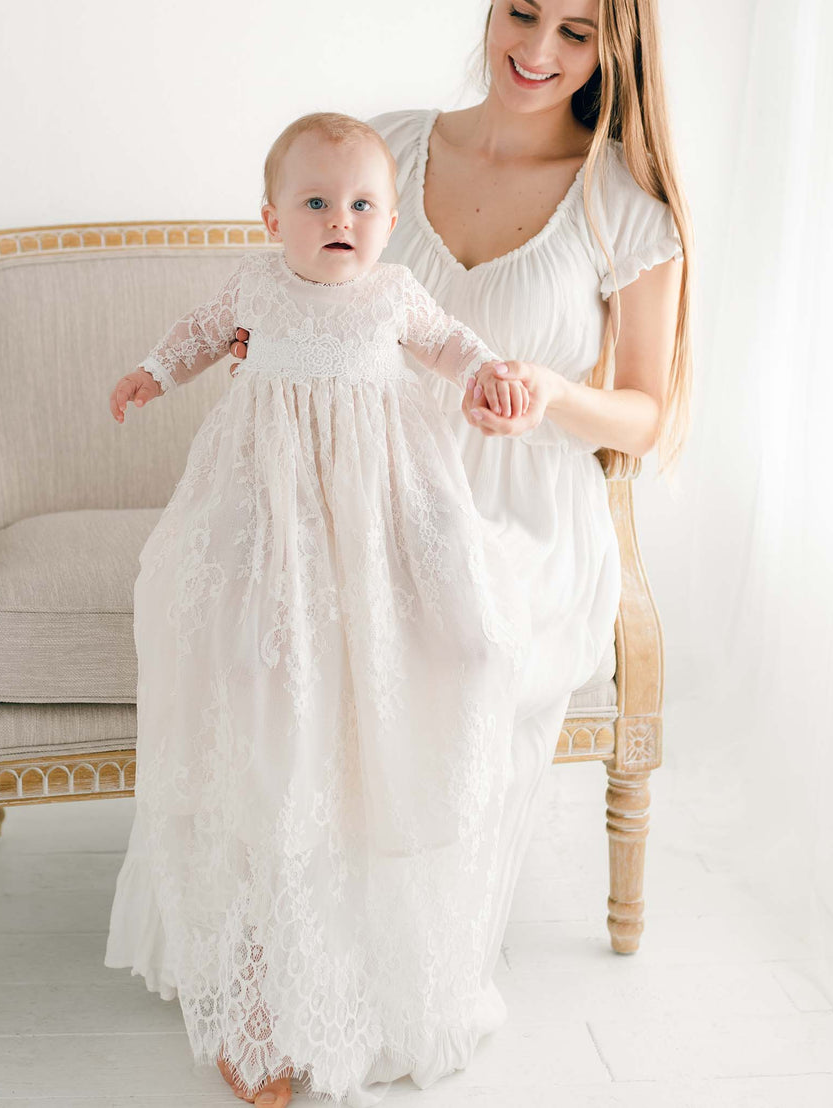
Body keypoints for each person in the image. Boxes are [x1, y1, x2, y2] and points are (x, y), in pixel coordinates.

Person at [223, 0, 693, 1102]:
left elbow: (647, 413)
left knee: (452, 652)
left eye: (574, 34)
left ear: (612, 52)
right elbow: (294, 288)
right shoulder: (381, 146)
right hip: (369, 488)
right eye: (521, 14)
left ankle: (384, 978)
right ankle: (281, 964)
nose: (535, 51)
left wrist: (548, 393)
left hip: (521, 511)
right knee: (305, 644)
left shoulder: (620, 201)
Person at [104, 110, 553, 1108]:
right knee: (251, 673)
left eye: (360, 204)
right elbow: (195, 336)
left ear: (389, 221)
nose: (337, 218)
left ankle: (369, 978)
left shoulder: (393, 294)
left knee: (458, 633)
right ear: (272, 217)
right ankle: (259, 1005)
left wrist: (488, 373)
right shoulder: (255, 287)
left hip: (377, 520)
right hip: (268, 520)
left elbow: (448, 344)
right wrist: (153, 372)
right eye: (314, 202)